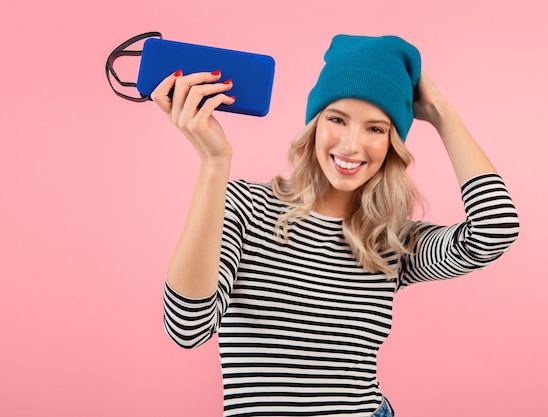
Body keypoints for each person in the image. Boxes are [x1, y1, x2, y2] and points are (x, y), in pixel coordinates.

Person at [151, 34, 519, 417]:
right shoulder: (246, 207)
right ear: (314, 124)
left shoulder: (389, 240)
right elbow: (187, 329)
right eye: (337, 119)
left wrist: (442, 113)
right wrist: (214, 164)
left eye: (375, 128)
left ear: (393, 143)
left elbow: (495, 230)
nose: (349, 145)